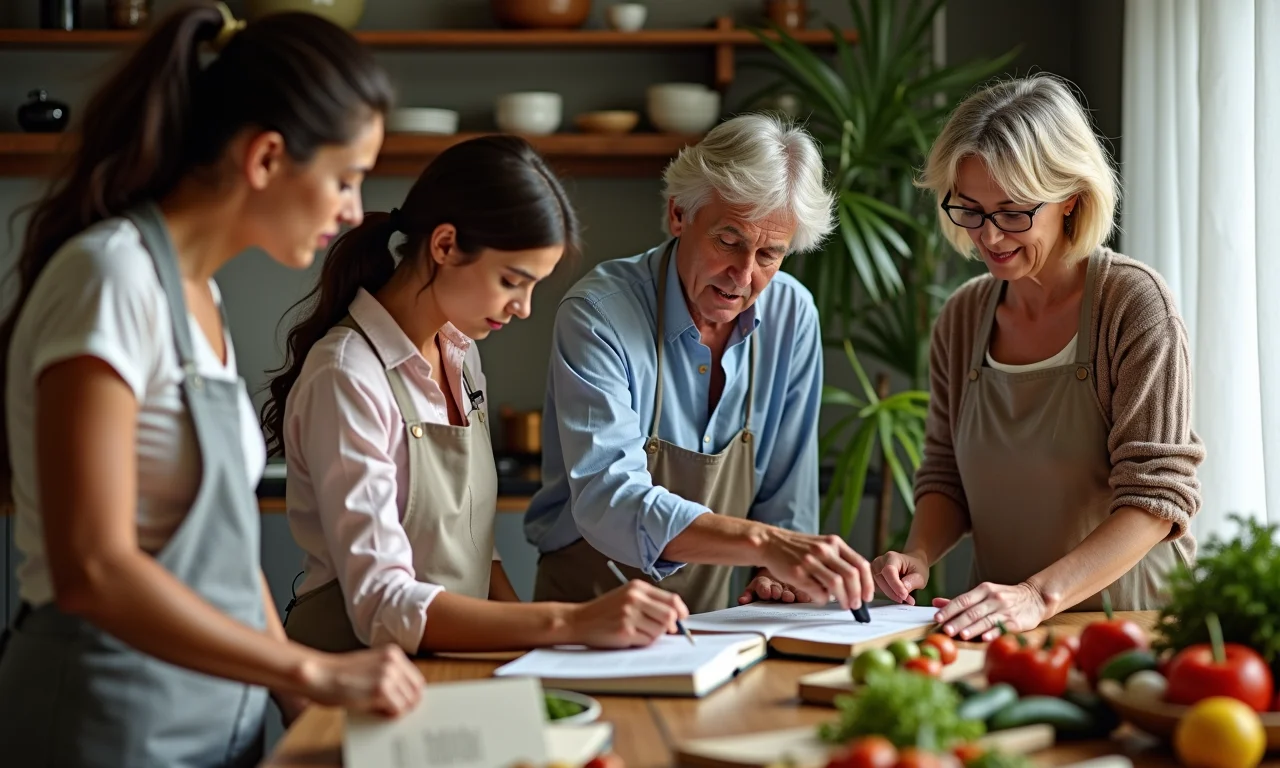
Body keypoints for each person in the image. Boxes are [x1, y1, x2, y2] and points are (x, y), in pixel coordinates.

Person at [0, 4, 426, 765]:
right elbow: (91, 569)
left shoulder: (200, 297)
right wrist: (313, 668)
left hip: (214, 724)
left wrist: (305, 711)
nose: (355, 211)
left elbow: (223, 564)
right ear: (265, 158)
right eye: (345, 178)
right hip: (108, 724)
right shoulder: (110, 279)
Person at [260, 135, 689, 656]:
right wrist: (570, 622)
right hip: (355, 680)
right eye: (513, 281)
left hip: (444, 668)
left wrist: (542, 656)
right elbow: (382, 605)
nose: (524, 308)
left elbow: (474, 556)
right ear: (444, 246)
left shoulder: (460, 355)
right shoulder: (348, 374)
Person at [872, 74, 1202, 641]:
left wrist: (1036, 595)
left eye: (1014, 212)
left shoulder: (1133, 305)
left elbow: (1156, 499)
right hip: (1006, 630)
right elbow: (946, 473)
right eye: (970, 210)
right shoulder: (963, 316)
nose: (991, 237)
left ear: (1071, 198)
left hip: (1131, 630)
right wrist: (919, 553)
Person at [525, 113, 876, 616]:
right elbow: (609, 499)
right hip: (589, 612)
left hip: (720, 621)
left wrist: (777, 572)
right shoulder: (599, 314)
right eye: (729, 241)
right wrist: (765, 543)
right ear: (678, 215)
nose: (744, 275)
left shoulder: (792, 315)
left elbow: (787, 500)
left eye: (770, 254)